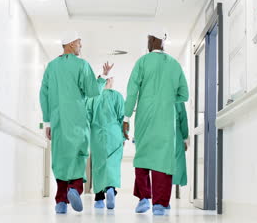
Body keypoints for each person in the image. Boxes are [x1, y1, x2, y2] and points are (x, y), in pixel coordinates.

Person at [123, 30, 189, 216]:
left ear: (150, 41)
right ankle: (160, 204)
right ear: (163, 43)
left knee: (143, 156)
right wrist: (167, 96)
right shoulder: (174, 65)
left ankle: (144, 198)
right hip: (166, 119)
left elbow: (132, 93)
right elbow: (184, 94)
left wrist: (126, 118)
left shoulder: (142, 63)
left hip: (144, 117)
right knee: (163, 160)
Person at [39, 31, 105, 214]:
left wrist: (47, 121)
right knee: (78, 155)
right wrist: (101, 79)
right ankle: (74, 189)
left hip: (58, 119)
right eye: (79, 43)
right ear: (71, 44)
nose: (81, 46)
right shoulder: (82, 65)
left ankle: (60, 202)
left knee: (61, 157)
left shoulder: (51, 67)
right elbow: (92, 91)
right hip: (77, 119)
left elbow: (43, 94)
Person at [86, 75, 127, 210]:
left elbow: (87, 117)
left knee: (98, 164)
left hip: (97, 135)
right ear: (111, 82)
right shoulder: (118, 97)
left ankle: (98, 198)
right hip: (114, 133)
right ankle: (110, 188)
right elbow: (122, 117)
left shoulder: (92, 98)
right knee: (113, 163)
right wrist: (123, 136)